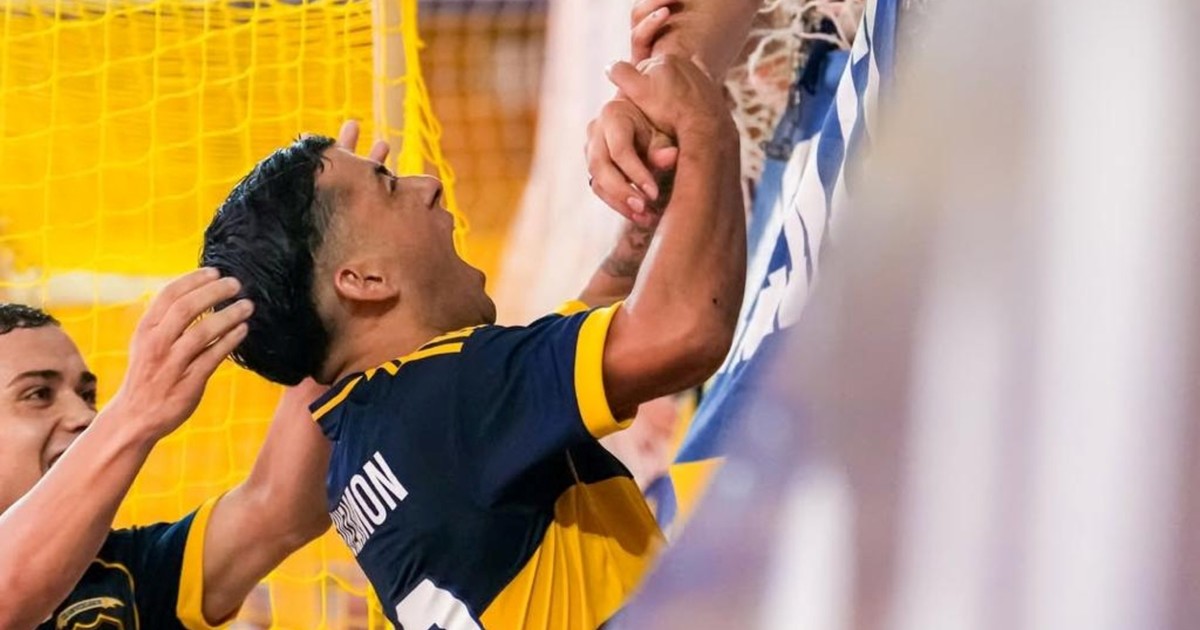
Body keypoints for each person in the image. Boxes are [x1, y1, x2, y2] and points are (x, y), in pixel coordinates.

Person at [200, 52, 746, 628]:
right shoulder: (447, 392)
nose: (428, 185)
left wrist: (638, 236)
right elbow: (684, 331)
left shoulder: (362, 448)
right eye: (389, 186)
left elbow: (565, 346)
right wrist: (706, 121)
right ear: (365, 281)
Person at [0, 124, 384, 630]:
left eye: (88, 394)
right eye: (37, 394)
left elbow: (277, 505)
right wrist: (136, 411)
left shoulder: (127, 573)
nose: (83, 415)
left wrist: (322, 266)